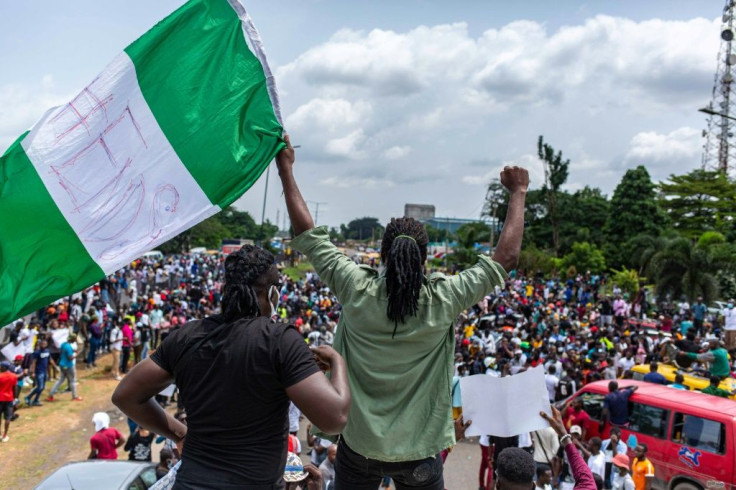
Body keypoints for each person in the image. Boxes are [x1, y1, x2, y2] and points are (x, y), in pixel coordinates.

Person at [278, 133, 529, 489]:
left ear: (381, 254)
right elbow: (505, 259)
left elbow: (307, 233)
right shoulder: (445, 298)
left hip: (359, 445)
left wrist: (285, 168)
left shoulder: (355, 287)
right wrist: (518, 193)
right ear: (425, 259)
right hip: (419, 452)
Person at [112, 243, 351, 489]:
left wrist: (180, 433)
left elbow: (126, 395)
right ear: (271, 293)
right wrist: (337, 361)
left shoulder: (187, 336)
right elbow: (335, 418)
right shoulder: (279, 340)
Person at [540, 407, 597, 490]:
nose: (575, 437)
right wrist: (556, 477)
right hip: (566, 480)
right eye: (573, 434)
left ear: (580, 436)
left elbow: (588, 455)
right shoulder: (563, 446)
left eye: (577, 435)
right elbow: (558, 461)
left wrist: (577, 444)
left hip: (576, 481)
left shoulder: (583, 446)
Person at [47, 333, 82, 402]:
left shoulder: (63, 344)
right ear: (72, 339)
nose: (75, 341)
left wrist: (73, 351)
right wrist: (77, 354)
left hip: (62, 364)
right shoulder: (68, 347)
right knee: (72, 380)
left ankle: (50, 395)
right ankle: (75, 396)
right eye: (74, 339)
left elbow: (64, 352)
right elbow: (70, 358)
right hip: (68, 365)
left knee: (60, 380)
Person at [26, 338, 56, 407]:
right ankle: (28, 397)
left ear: (47, 344)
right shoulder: (37, 352)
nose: (43, 345)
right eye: (42, 344)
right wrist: (33, 372)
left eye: (45, 344)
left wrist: (55, 367)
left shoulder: (47, 351)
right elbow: (33, 362)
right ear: (39, 344)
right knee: (40, 387)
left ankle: (36, 400)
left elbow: (50, 359)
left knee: (42, 387)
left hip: (44, 371)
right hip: (39, 372)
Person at [0, 362, 18, 442]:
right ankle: (5, 435)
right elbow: (15, 388)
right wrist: (15, 398)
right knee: (8, 418)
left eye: (1, 366)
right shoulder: (14, 376)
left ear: (4, 367)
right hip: (9, 399)